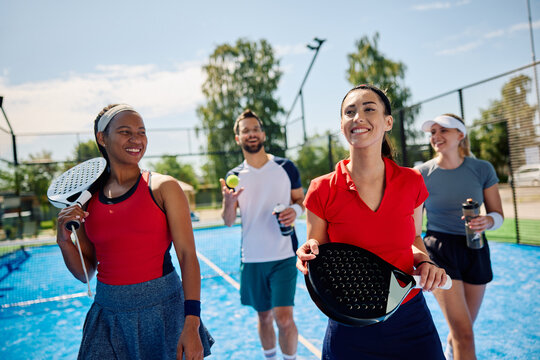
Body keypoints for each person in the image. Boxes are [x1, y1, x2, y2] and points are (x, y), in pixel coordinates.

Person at [296, 84, 448, 360]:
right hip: (348, 324)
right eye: (350, 112)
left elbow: (414, 239)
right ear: (341, 125)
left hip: (410, 318)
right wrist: (308, 251)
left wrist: (425, 262)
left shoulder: (412, 181)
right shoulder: (321, 189)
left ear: (388, 122)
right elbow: (317, 247)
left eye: (369, 109)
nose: (358, 117)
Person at [56, 104, 214, 360]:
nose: (136, 139)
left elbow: (187, 255)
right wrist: (64, 241)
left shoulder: (163, 187)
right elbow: (85, 272)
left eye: (141, 131)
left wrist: (192, 323)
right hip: (108, 315)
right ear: (101, 138)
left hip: (164, 312)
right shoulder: (85, 201)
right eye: (125, 131)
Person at [416, 114, 504, 360]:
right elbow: (411, 227)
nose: (436, 136)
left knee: (463, 331)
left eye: (443, 130)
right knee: (464, 334)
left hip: (475, 248)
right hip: (440, 250)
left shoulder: (482, 169)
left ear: (460, 135)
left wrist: (488, 221)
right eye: (432, 132)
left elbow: (498, 214)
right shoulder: (420, 173)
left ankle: (451, 349)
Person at [220, 109, 304, 360]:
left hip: (284, 256)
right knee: (264, 316)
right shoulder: (233, 177)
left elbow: (301, 200)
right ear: (238, 138)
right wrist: (227, 202)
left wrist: (295, 210)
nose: (251, 133)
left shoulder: (286, 167)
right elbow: (227, 221)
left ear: (263, 133)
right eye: (245, 130)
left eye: (255, 128)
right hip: (253, 258)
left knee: (284, 318)